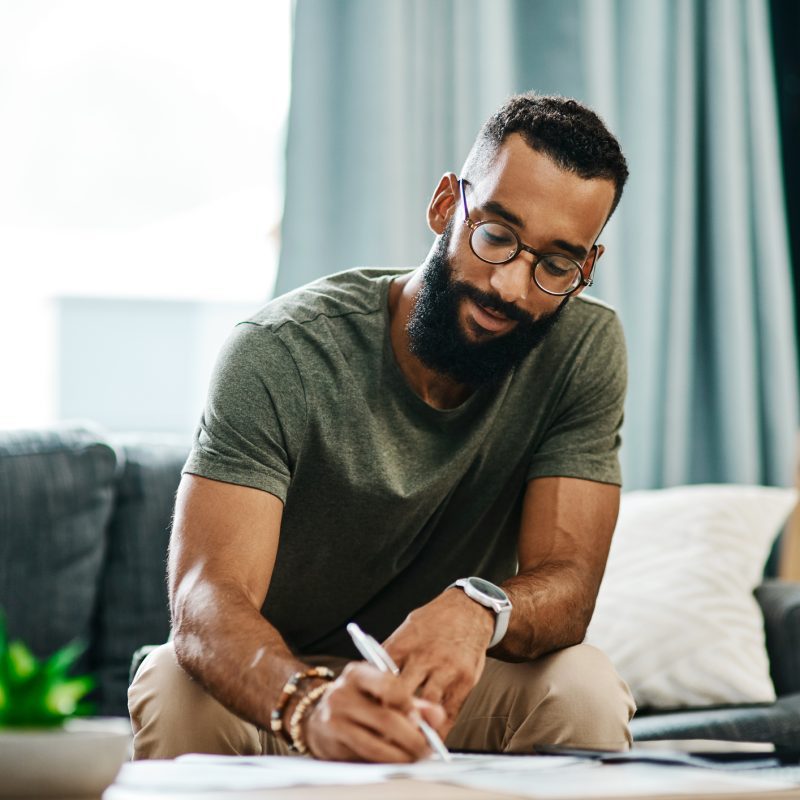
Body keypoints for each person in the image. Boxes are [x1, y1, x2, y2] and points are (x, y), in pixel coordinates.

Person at [129, 92, 636, 762]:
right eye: (496, 235)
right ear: (445, 206)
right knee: (173, 681)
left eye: (555, 264)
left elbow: (568, 586)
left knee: (583, 686)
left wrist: (479, 607)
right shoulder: (280, 351)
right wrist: (306, 705)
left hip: (437, 693)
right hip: (278, 682)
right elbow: (204, 598)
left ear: (586, 268)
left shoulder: (581, 348)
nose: (512, 287)